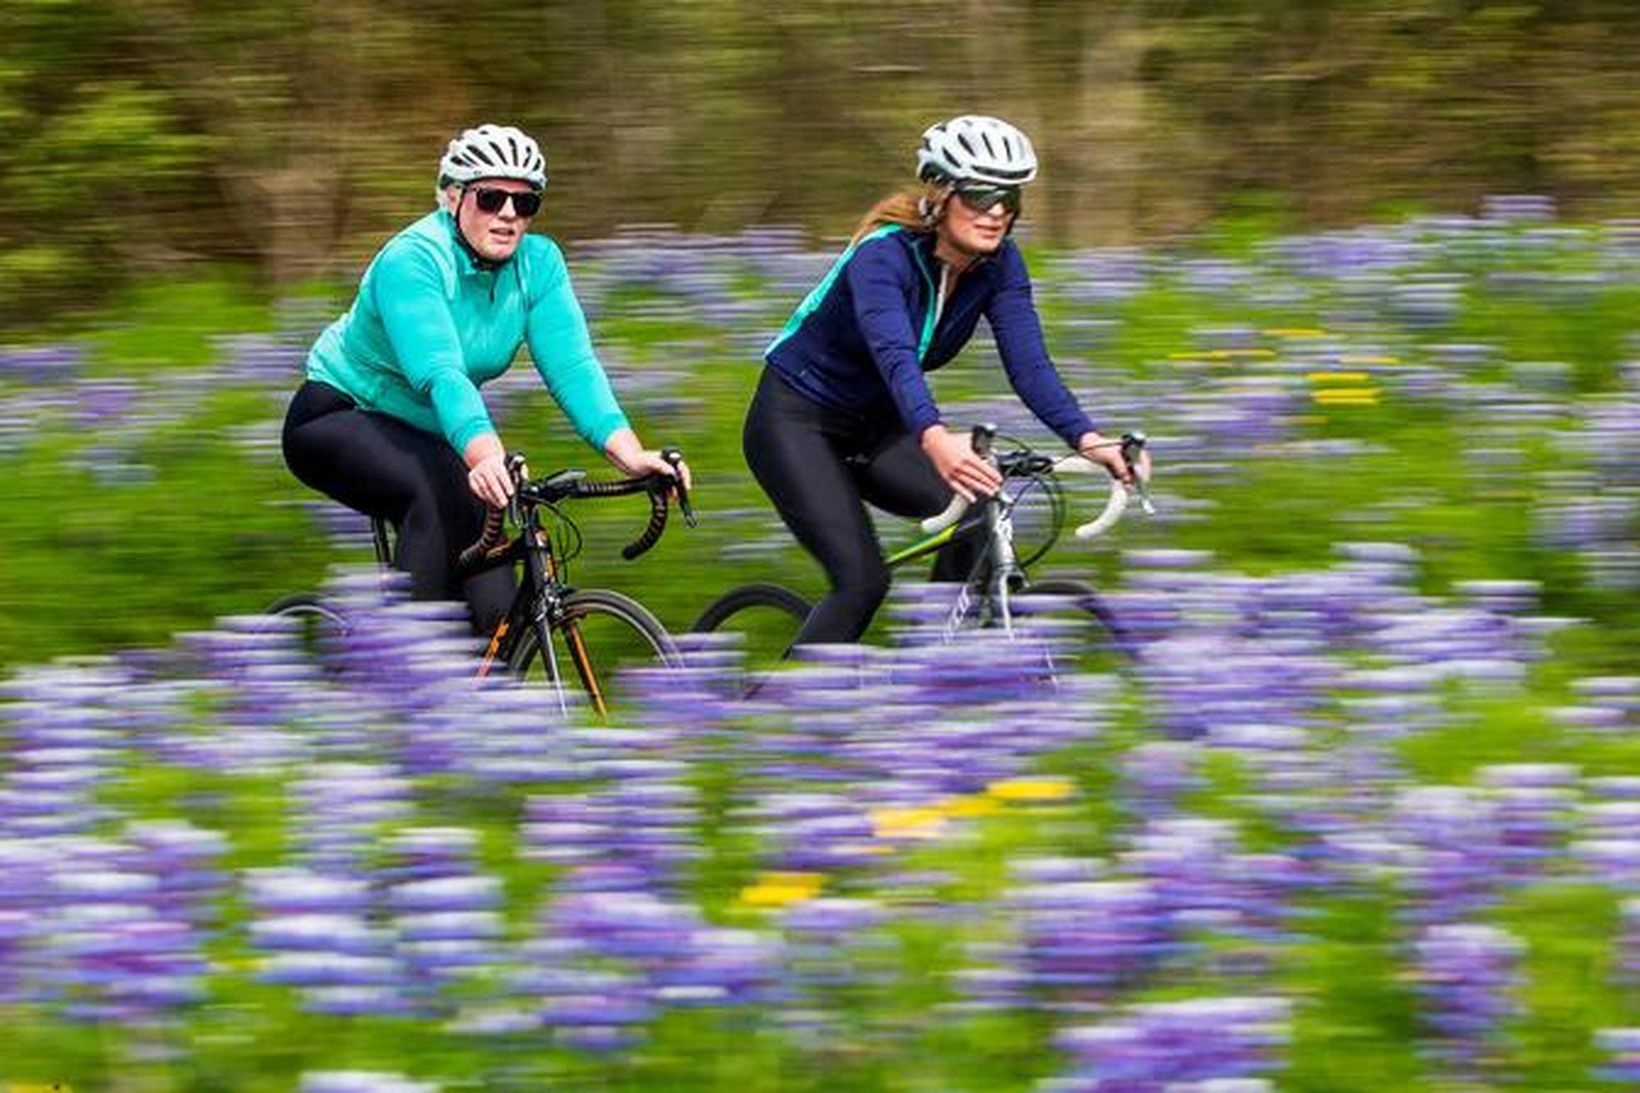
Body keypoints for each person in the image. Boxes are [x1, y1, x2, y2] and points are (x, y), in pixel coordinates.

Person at [743, 114, 1139, 648]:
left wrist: (1090, 441)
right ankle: (783, 715)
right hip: (796, 422)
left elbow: (1030, 365)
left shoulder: (999, 265)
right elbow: (895, 356)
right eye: (979, 195)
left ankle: (930, 670)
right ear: (941, 192)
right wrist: (934, 438)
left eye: (1009, 197)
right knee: (862, 582)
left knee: (978, 507)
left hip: (877, 427)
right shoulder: (882, 256)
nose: (996, 211)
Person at [282, 123, 689, 632]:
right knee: (436, 491)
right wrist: (487, 455)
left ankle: (488, 693)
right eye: (492, 197)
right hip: (340, 413)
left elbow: (574, 368)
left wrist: (630, 454)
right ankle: (400, 676)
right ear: (453, 198)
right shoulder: (412, 260)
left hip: (435, 432)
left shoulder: (538, 265)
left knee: (495, 614)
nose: (509, 216)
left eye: (525, 204)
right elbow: (441, 372)